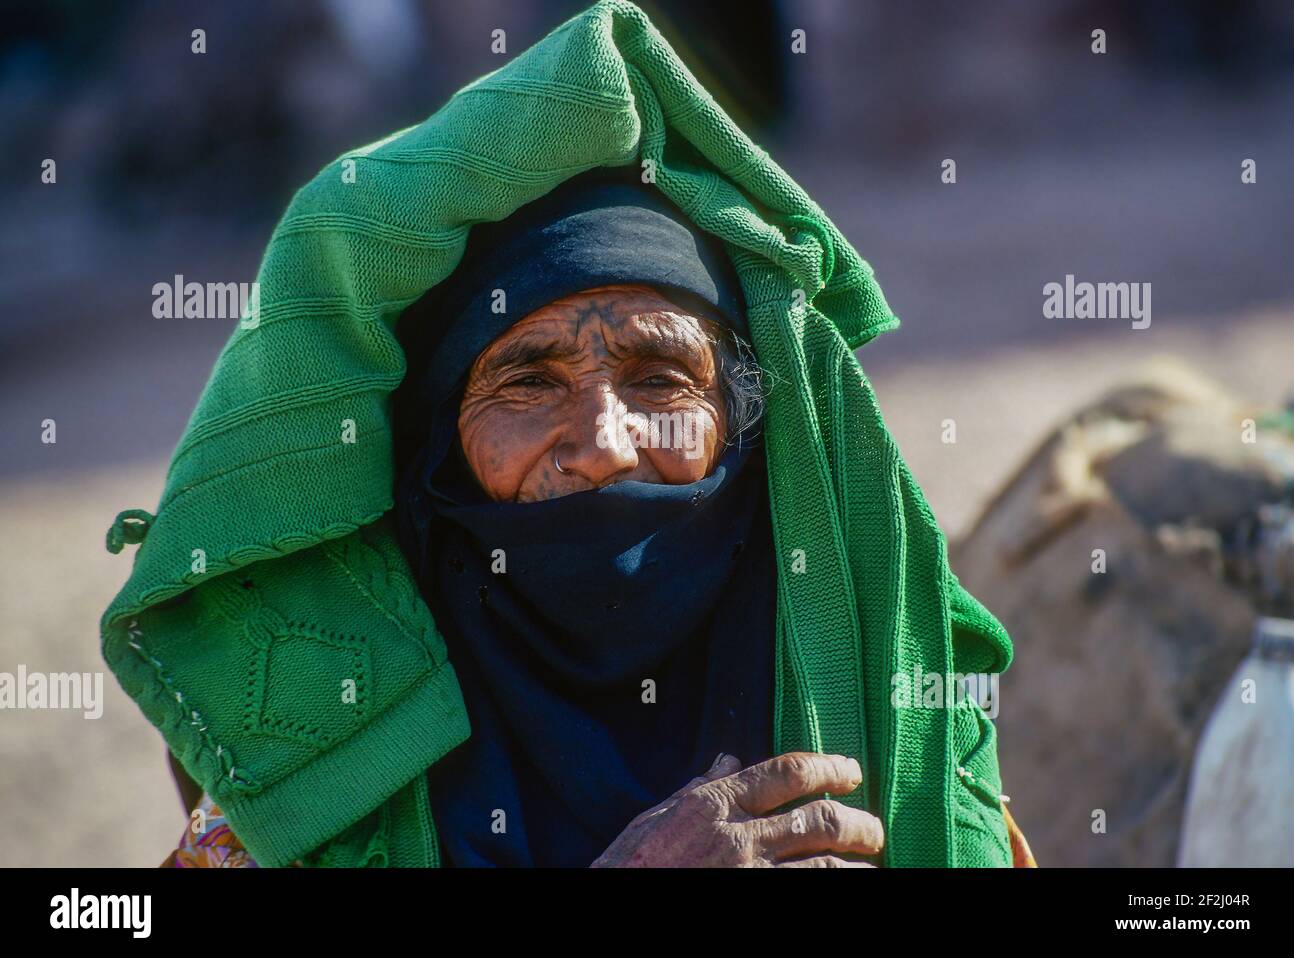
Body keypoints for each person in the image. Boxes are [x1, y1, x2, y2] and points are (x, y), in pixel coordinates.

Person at [109, 0, 1033, 868]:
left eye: (662, 378)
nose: (604, 444)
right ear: (436, 455)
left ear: (746, 430)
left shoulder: (906, 733)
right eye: (526, 381)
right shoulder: (307, 799)